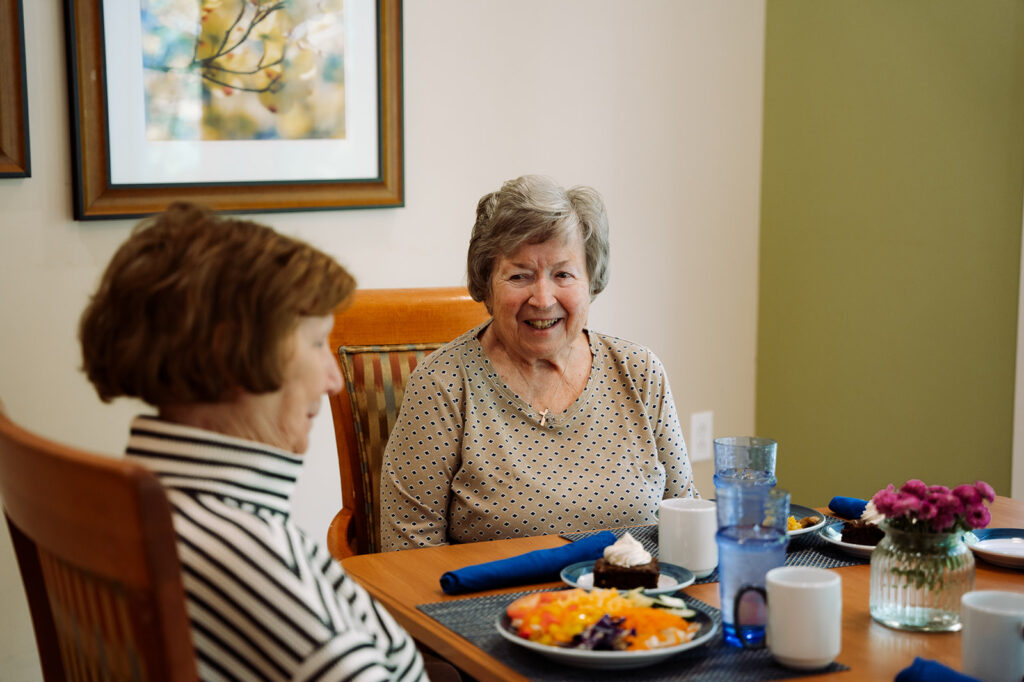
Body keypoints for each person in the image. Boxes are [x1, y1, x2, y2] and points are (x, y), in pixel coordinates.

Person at [79, 203, 427, 681]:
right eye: (314, 343)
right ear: (230, 354)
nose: (334, 381)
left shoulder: (121, 502)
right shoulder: (245, 553)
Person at [380, 175, 699, 551]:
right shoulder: (442, 386)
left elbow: (686, 521)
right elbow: (409, 554)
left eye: (563, 274)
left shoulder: (640, 373)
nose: (543, 298)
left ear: (590, 279)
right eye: (520, 276)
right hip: (493, 609)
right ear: (486, 283)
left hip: (637, 603)